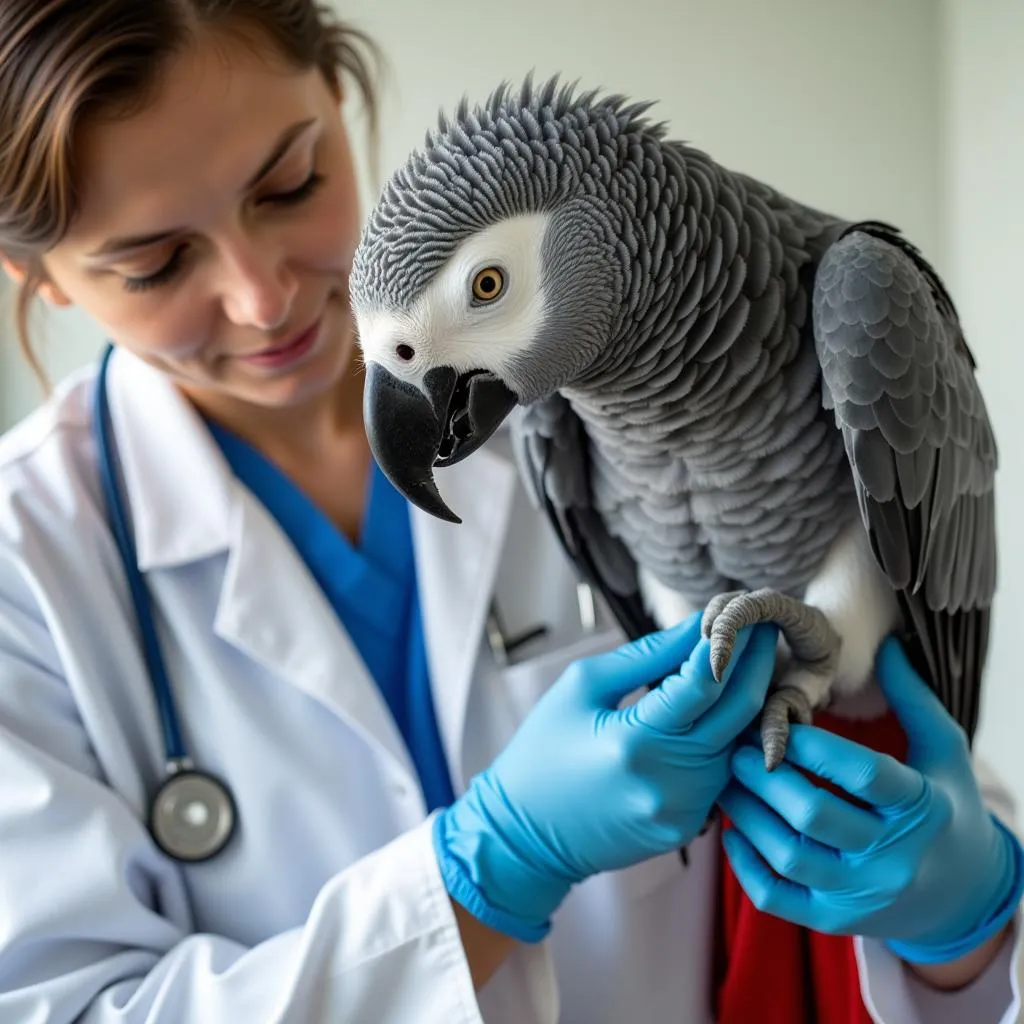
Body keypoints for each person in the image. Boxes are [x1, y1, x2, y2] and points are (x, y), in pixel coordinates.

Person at [0, 2, 1020, 1022]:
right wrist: (491, 866)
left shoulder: (601, 359)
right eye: (153, 264)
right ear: (31, 276)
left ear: (340, 99)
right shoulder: (27, 559)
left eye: (289, 184)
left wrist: (966, 921)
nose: (262, 298)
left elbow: (896, 776)